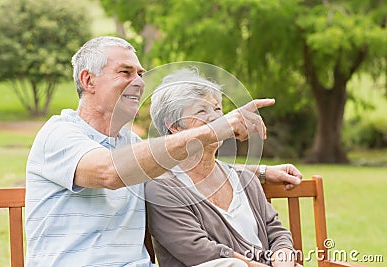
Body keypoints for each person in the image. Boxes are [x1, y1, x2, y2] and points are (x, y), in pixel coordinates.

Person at [25, 36, 301, 266]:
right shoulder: (59, 135)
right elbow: (110, 171)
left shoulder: (130, 144)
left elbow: (188, 171)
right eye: (126, 72)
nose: (140, 82)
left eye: (141, 74)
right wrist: (218, 128)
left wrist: (262, 172)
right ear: (88, 80)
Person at [146, 68, 301, 267]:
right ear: (174, 126)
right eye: (202, 111)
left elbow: (276, 233)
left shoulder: (245, 179)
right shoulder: (162, 190)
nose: (215, 118)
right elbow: (202, 252)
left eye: (218, 109)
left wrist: (283, 263)